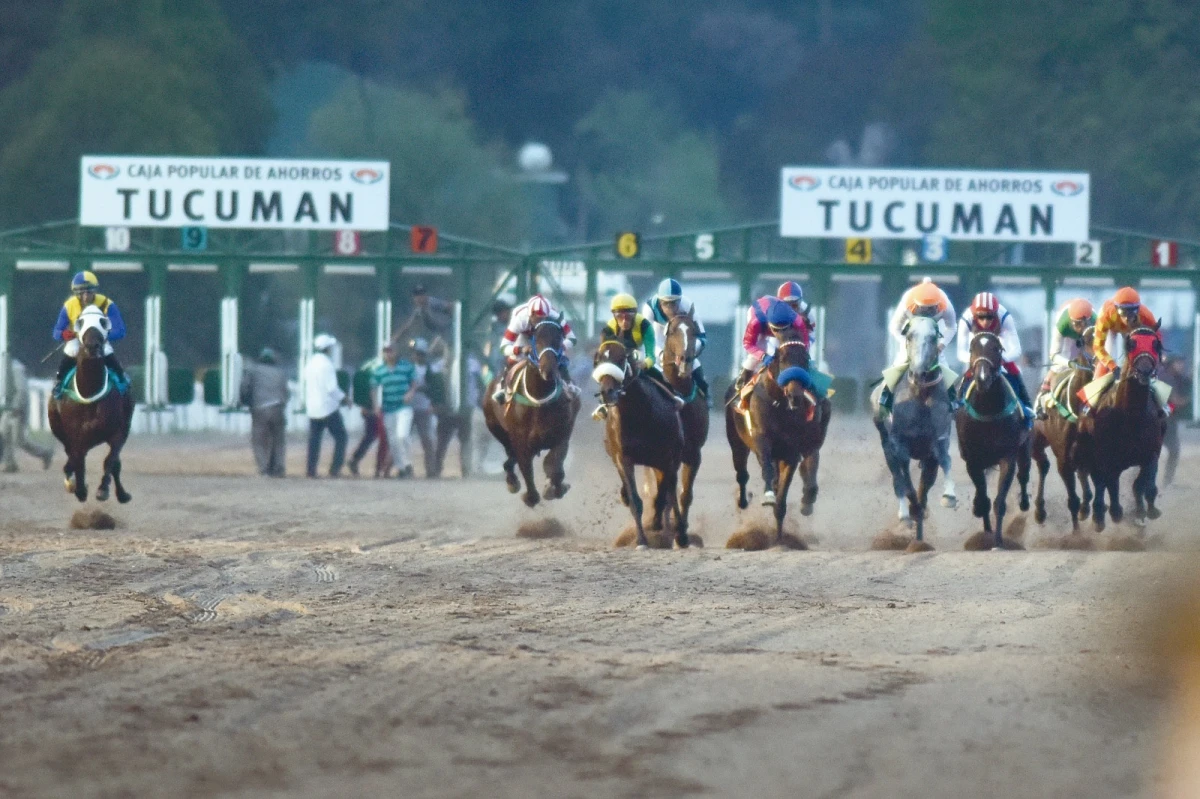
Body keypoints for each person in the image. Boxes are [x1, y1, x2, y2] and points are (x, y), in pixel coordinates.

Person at [877, 277, 957, 419]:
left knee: (944, 366)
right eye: (923, 308)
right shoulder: (907, 300)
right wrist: (906, 343)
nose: (927, 311)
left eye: (931, 308)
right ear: (916, 303)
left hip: (933, 338)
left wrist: (941, 345)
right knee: (899, 364)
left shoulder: (945, 302)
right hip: (912, 337)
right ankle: (885, 398)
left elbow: (952, 327)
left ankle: (953, 400)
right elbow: (894, 327)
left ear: (938, 303)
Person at [1082, 286, 1171, 412]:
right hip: (1111, 330)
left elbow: (1156, 336)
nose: (1128, 318)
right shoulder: (1106, 315)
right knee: (1106, 359)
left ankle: (1161, 401)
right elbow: (1098, 347)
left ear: (1138, 309)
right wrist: (1112, 366)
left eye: (1132, 312)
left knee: (1145, 358)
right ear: (1116, 308)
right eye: (1123, 312)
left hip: (1133, 331)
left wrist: (1158, 354)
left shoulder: (1145, 314)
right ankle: (1090, 401)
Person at [956, 292, 1034, 425]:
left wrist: (999, 358)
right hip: (977, 349)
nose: (985, 321)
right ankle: (958, 405)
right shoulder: (966, 318)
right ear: (975, 315)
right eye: (981, 317)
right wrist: (977, 360)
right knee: (968, 374)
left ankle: (1027, 407)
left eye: (990, 317)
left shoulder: (1004, 317)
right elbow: (961, 352)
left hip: (998, 345)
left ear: (996, 313)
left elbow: (1016, 349)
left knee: (1014, 371)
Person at [592, 293, 667, 420]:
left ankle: (670, 398)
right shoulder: (609, 328)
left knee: (659, 373)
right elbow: (605, 351)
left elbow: (651, 353)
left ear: (635, 314)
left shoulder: (644, 326)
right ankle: (603, 403)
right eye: (619, 316)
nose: (624, 320)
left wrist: (646, 363)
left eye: (628, 316)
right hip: (620, 358)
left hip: (640, 353)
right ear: (614, 316)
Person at [52, 270, 127, 394]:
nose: (86, 296)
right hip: (77, 339)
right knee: (71, 350)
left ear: (95, 291)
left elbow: (120, 330)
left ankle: (121, 379)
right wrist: (64, 334)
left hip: (100, 340)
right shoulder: (69, 305)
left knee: (107, 351)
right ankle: (59, 383)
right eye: (82, 292)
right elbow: (56, 332)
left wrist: (105, 335)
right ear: (76, 293)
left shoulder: (107, 304)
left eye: (89, 292)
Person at [493, 294, 578, 403]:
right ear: (530, 315)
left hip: (545, 336)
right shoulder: (520, 319)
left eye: (543, 318)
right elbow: (504, 347)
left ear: (548, 315)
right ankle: (503, 386)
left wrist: (561, 346)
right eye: (537, 319)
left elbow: (572, 339)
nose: (540, 323)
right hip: (524, 336)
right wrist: (521, 349)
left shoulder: (555, 316)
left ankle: (568, 383)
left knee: (558, 354)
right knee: (515, 357)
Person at [734, 298, 812, 411]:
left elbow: (805, 344)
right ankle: (741, 385)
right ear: (771, 325)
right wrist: (763, 356)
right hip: (760, 324)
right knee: (755, 357)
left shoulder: (797, 320)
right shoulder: (755, 322)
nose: (779, 333)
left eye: (784, 329)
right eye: (776, 330)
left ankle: (815, 394)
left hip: (779, 324)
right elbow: (748, 344)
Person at [641, 278, 709, 400]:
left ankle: (705, 394)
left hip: (680, 335)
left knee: (696, 366)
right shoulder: (649, 308)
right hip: (659, 333)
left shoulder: (687, 306)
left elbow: (702, 337)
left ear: (680, 300)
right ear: (659, 301)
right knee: (645, 369)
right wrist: (662, 355)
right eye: (666, 303)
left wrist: (688, 352)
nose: (670, 308)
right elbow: (648, 341)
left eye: (674, 303)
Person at [1035, 298, 1096, 418]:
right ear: (1071, 321)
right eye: (1077, 324)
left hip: (1090, 336)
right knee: (1059, 367)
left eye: (1084, 324)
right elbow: (1054, 355)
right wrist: (1069, 363)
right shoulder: (1062, 324)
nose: (1081, 328)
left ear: (1089, 321)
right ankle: (1040, 404)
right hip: (1068, 338)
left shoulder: (1097, 321)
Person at [371, 340, 419, 479]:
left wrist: (411, 392)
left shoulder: (406, 367)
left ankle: (408, 462)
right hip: (388, 408)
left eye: (390, 350)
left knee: (402, 435)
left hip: (403, 407)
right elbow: (374, 387)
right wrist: (375, 405)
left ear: (396, 351)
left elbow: (414, 382)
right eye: (386, 351)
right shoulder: (380, 370)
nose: (388, 354)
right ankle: (402, 467)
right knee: (392, 441)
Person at [239, 348, 289, 477]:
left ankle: (264, 469)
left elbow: (245, 388)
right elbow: (286, 392)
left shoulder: (253, 370)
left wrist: (245, 402)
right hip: (278, 408)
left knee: (259, 441)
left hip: (260, 409)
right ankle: (279, 469)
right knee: (278, 441)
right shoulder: (280, 372)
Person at [304, 333, 348, 478]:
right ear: (327, 348)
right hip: (328, 408)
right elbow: (331, 389)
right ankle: (335, 469)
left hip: (313, 407)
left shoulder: (310, 363)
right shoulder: (327, 364)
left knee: (314, 440)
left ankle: (311, 470)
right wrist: (345, 398)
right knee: (341, 437)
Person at [1, 358, 53, 472]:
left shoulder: (15, 367)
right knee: (4, 434)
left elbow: (22, 390)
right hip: (8, 407)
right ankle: (10, 464)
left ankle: (44, 453)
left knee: (19, 440)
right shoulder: (4, 368)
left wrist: (17, 406)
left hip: (18, 408)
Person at [348, 347, 391, 477]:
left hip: (369, 405)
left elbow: (359, 381)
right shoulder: (382, 366)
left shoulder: (369, 364)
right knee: (383, 436)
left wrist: (362, 404)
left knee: (371, 435)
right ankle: (380, 468)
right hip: (377, 406)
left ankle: (356, 460)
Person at [409, 337, 442, 478]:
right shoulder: (408, 368)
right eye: (416, 353)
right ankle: (402, 468)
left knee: (427, 440)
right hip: (408, 408)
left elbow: (435, 389)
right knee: (403, 439)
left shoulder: (431, 369)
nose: (417, 356)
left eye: (420, 353)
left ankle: (431, 470)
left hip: (424, 407)